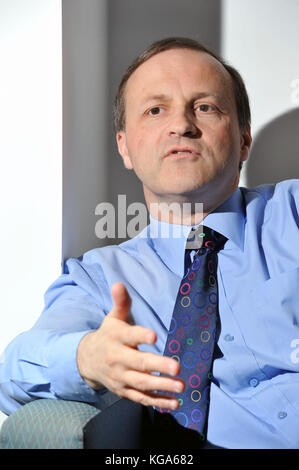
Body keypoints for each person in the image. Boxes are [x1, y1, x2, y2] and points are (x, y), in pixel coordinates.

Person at [1, 36, 299, 449]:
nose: (182, 125)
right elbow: (14, 369)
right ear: (125, 146)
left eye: (205, 107)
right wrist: (87, 358)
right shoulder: (100, 278)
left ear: (243, 139)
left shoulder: (293, 213)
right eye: (155, 110)